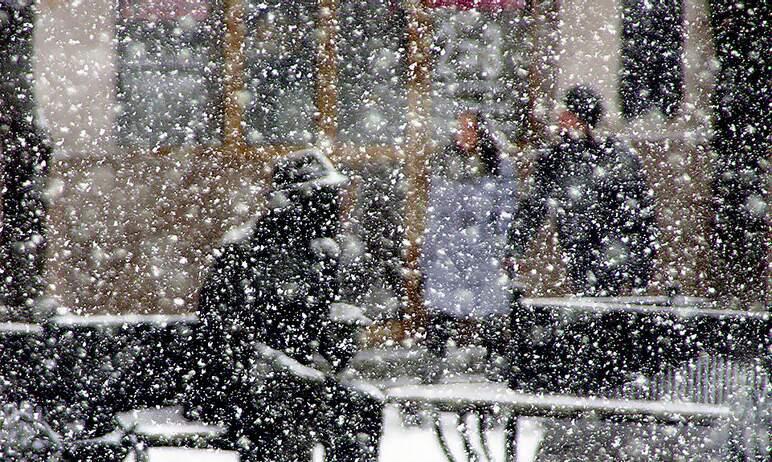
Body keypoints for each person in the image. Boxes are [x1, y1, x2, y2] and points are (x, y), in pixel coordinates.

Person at [185, 149, 382, 462]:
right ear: (294, 201)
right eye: (323, 196)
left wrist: (338, 333)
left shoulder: (321, 252)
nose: (332, 206)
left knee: (361, 405)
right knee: (287, 407)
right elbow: (224, 330)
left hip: (300, 380)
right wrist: (280, 361)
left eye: (332, 195)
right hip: (242, 385)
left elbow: (318, 322)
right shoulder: (246, 251)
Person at [505, 85, 658, 296]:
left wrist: (640, 261)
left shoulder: (613, 157)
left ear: (580, 117)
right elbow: (534, 206)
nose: (560, 118)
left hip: (608, 249)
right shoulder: (556, 159)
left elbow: (637, 213)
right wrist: (515, 245)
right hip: (583, 249)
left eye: (566, 112)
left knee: (603, 307)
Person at [422, 110, 518, 368]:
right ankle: (434, 361)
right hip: (450, 247)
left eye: (469, 128)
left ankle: (496, 360)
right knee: (441, 305)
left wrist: (502, 245)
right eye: (460, 128)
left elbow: (505, 208)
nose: (463, 134)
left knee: (492, 306)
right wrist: (430, 249)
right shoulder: (445, 162)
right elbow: (437, 209)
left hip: (484, 248)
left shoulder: (498, 166)